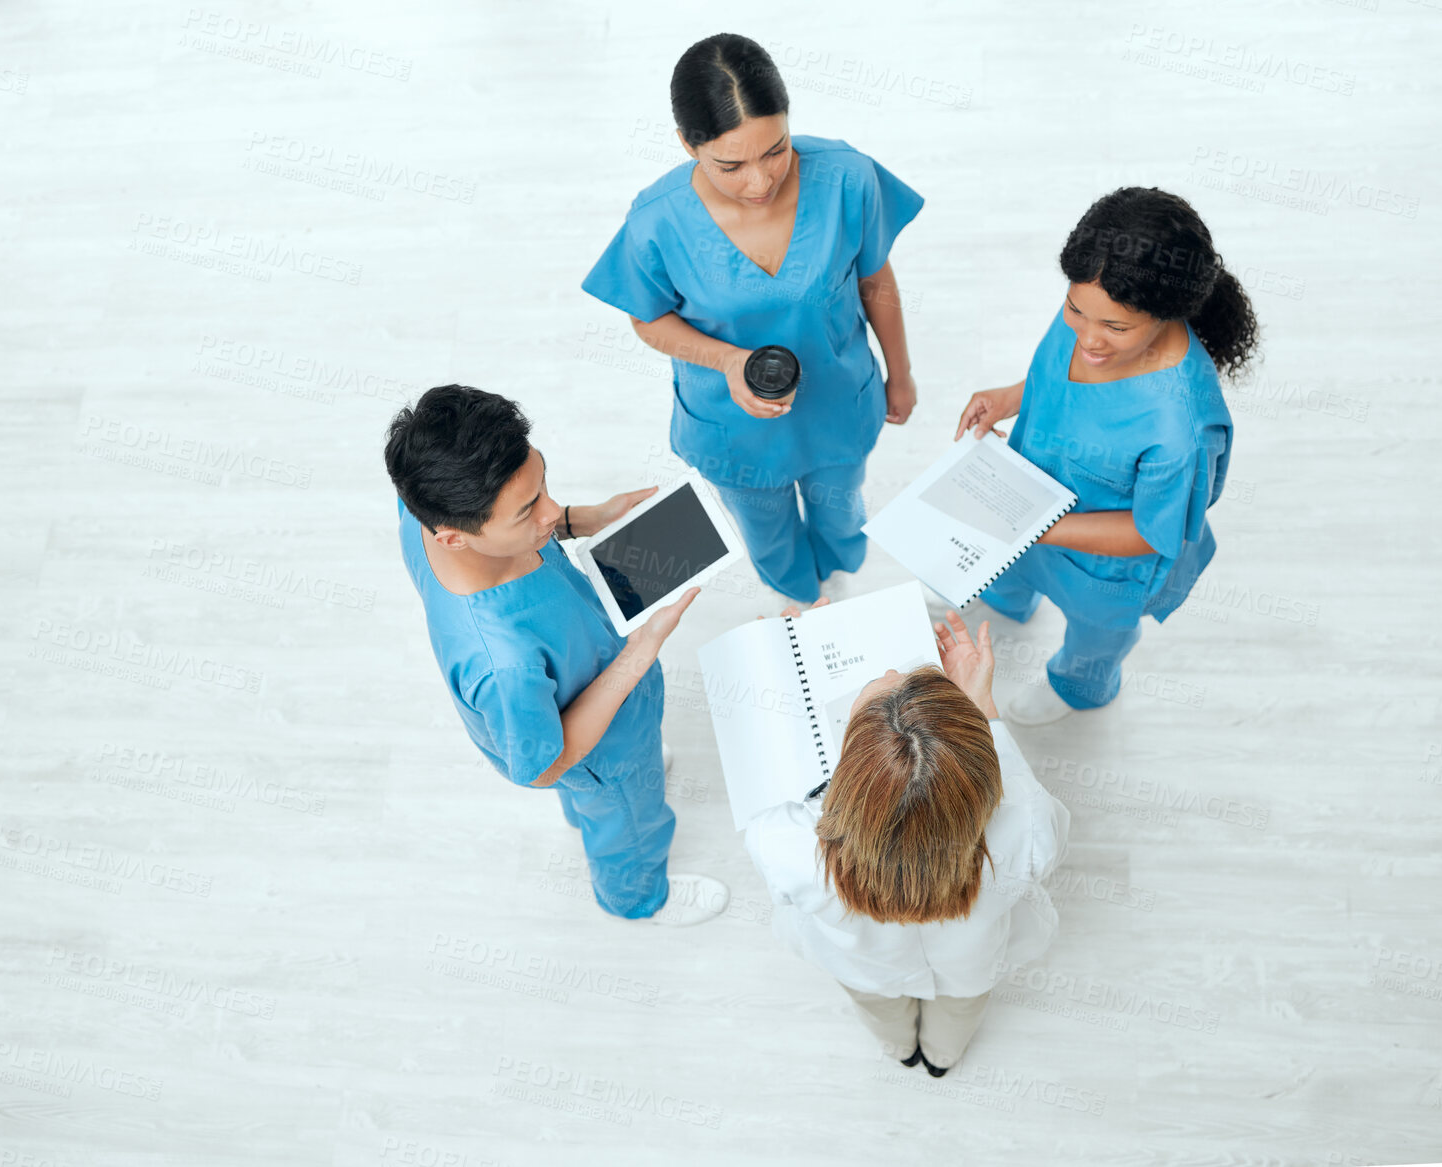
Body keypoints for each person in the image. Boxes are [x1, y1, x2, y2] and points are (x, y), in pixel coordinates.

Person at [582, 32, 923, 604]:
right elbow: (648, 320)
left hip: (838, 400)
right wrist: (728, 361)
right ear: (688, 146)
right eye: (731, 165)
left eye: (775, 150)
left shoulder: (846, 177)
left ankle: (837, 579)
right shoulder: (656, 220)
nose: (760, 181)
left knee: (841, 513)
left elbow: (875, 280)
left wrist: (902, 373)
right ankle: (798, 599)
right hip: (732, 429)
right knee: (767, 531)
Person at [386, 384, 725, 925]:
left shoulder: (422, 504)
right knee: (628, 817)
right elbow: (545, 765)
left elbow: (537, 518)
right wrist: (640, 652)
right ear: (453, 536)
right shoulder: (503, 665)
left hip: (583, 693)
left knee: (597, 793)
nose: (548, 512)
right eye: (528, 512)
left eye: (543, 485)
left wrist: (579, 519)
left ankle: (590, 802)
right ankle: (637, 897)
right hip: (595, 750)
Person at [955, 186, 1260, 725]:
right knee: (1010, 572)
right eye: (1075, 311)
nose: (1089, 339)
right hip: (1026, 507)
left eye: (1115, 328)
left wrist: (1040, 526)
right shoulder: (1097, 300)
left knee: (1096, 635)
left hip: (1102, 567)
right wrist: (1009, 397)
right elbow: (1059, 380)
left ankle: (1081, 685)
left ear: (1167, 314)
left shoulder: (1180, 426)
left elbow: (1150, 532)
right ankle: (1008, 602)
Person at [744, 609, 1070, 1074]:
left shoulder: (784, 842)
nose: (893, 670)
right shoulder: (1030, 821)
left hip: (863, 968)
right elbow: (1015, 785)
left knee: (880, 1011)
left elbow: (767, 769)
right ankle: (943, 1056)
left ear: (852, 770)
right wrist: (980, 702)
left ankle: (898, 1049)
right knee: (961, 1010)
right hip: (969, 964)